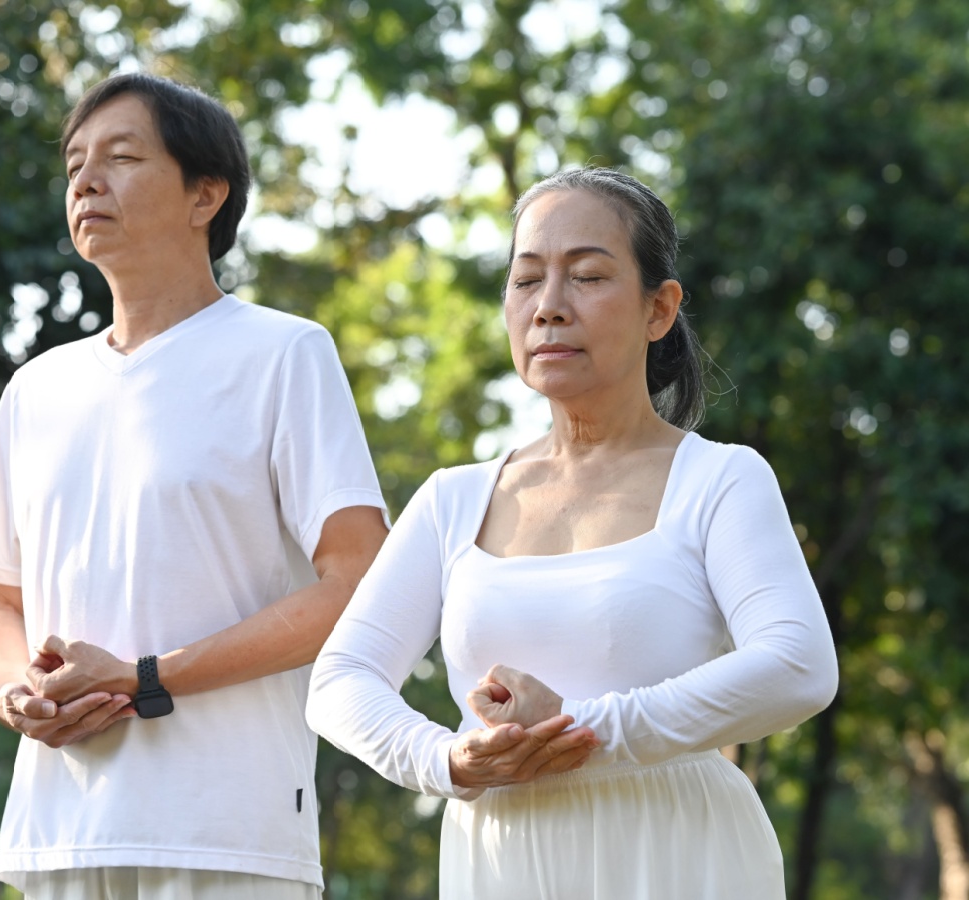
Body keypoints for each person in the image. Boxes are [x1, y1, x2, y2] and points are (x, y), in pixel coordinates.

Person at [306, 167, 839, 898]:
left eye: (587, 276)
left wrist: (582, 729)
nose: (549, 307)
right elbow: (339, 679)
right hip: (502, 863)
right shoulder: (451, 500)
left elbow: (799, 664)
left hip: (678, 858)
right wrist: (447, 760)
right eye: (526, 281)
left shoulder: (721, 480)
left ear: (660, 309)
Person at [0, 72, 415, 900]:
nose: (87, 181)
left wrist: (145, 676)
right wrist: (12, 690)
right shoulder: (37, 389)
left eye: (123, 157)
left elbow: (357, 585)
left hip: (229, 836)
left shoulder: (284, 354)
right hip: (59, 833)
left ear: (207, 194)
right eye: (74, 165)